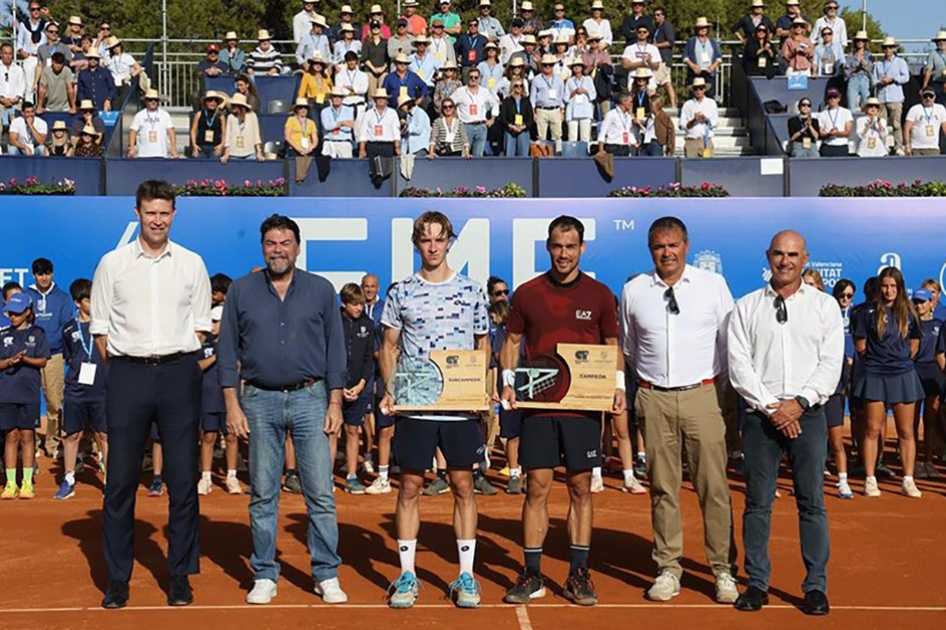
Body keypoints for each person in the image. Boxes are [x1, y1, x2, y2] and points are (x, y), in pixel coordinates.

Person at [92, 180, 212, 609]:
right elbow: (101, 330)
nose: (157, 220)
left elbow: (201, 326)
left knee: (183, 481)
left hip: (180, 374)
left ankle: (179, 575)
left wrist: (171, 362)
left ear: (174, 214)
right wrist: (130, 368)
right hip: (127, 375)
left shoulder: (192, 264)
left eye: (164, 212)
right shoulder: (112, 263)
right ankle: (118, 578)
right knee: (120, 482)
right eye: (150, 212)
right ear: (137, 213)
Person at [219, 213, 348, 605]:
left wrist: (336, 402)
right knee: (262, 494)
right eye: (271, 243)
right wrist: (232, 404)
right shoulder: (241, 291)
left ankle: (326, 572)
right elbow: (227, 349)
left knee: (321, 493)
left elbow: (335, 348)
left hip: (312, 397)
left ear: (297, 247)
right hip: (258, 400)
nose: (278, 250)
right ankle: (264, 572)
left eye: (285, 243)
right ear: (263, 247)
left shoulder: (322, 290)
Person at [499, 216, 624, 607]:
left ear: (582, 248)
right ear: (548, 247)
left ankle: (578, 573)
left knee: (580, 487)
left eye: (571, 246)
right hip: (539, 406)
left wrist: (618, 388)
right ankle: (533, 573)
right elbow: (513, 340)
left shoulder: (601, 295)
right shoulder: (527, 293)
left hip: (583, 407)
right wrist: (506, 380)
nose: (564, 253)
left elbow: (611, 344)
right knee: (536, 486)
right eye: (557, 246)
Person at [620, 217, 738, 605]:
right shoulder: (634, 290)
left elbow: (728, 342)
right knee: (662, 488)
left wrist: (715, 391)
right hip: (653, 398)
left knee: (714, 488)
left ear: (686, 246)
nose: (666, 253)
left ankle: (723, 570)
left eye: (673, 245)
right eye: (658, 246)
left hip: (702, 395)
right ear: (650, 250)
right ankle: (668, 568)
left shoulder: (712, 285)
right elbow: (630, 347)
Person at [379, 211, 491, 609]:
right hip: (414, 406)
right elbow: (389, 347)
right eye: (425, 240)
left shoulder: (472, 290)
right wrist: (393, 391)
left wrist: (481, 390)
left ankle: (466, 576)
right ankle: (407, 575)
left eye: (439, 239)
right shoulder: (401, 292)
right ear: (416, 243)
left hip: (460, 408)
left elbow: (483, 345)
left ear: (449, 242)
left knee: (463, 485)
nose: (432, 246)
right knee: (410, 487)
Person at [728, 230, 840, 616]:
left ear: (805, 258)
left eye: (793, 254)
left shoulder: (825, 307)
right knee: (758, 504)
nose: (785, 261)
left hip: (808, 417)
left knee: (812, 503)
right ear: (768, 256)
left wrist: (799, 404)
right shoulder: (746, 307)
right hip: (762, 419)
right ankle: (756, 583)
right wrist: (772, 406)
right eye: (778, 253)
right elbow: (739, 364)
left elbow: (830, 364)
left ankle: (815, 587)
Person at [852, 266, 924, 499]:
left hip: (903, 374)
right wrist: (879, 361)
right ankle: (870, 479)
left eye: (893, 286)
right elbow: (861, 345)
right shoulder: (866, 313)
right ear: (879, 287)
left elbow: (914, 345)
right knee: (872, 428)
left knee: (906, 430)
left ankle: (908, 479)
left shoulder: (909, 312)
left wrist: (899, 361)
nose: (889, 290)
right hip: (875, 374)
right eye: (885, 285)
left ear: (900, 287)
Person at [55, 278, 108, 500]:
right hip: (76, 390)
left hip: (102, 389)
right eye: (88, 299)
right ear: (78, 303)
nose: (93, 303)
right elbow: (69, 356)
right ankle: (68, 479)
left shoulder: (105, 325)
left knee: (104, 435)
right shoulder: (69, 328)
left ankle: (110, 480)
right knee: (72, 434)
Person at [1, 293, 49, 500]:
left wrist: (26, 359)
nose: (13, 316)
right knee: (11, 436)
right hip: (7, 392)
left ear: (28, 312)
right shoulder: (3, 335)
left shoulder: (38, 333)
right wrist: (10, 361)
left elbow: (43, 361)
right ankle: (10, 483)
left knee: (27, 436)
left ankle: (27, 482)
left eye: (17, 313)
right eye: (10, 312)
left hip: (29, 392)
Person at [196, 305, 241, 497]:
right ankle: (205, 477)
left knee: (231, 436)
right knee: (208, 437)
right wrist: (216, 356)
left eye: (216, 322)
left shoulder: (236, 345)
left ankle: (231, 477)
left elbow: (240, 367)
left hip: (229, 400)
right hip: (208, 397)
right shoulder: (202, 344)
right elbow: (196, 367)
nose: (212, 326)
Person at [337, 283, 374, 494]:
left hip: (359, 387)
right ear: (344, 304)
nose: (359, 308)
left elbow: (370, 359)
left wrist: (360, 385)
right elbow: (328, 356)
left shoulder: (368, 324)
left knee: (353, 430)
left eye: (361, 304)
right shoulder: (333, 322)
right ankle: (324, 477)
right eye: (355, 304)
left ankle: (351, 476)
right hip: (335, 387)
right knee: (332, 431)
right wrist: (339, 386)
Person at [828, 278, 856, 498]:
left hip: (847, 372)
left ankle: (844, 480)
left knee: (839, 430)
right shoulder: (826, 311)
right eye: (842, 295)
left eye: (849, 296)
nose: (845, 300)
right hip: (826, 374)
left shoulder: (856, 314)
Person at [911, 289, 943, 480]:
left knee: (930, 420)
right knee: (912, 421)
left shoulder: (940, 325)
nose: (919, 306)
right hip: (914, 372)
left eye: (922, 302)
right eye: (916, 302)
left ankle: (929, 461)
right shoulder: (909, 325)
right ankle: (914, 462)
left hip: (934, 374)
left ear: (931, 303)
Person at [872, 37, 909, 155]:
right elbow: (872, 80)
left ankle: (898, 146)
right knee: (881, 124)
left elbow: (906, 77)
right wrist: (880, 82)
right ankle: (882, 147)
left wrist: (893, 80)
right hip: (882, 97)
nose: (887, 49)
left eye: (890, 47)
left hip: (895, 97)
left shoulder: (900, 62)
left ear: (894, 48)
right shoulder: (878, 64)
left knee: (896, 124)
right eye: (885, 47)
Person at [452, 68, 499, 157]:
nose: (473, 79)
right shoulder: (460, 91)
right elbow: (449, 103)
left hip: (481, 126)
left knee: (479, 156)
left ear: (479, 79)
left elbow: (495, 104)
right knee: (464, 155)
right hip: (466, 126)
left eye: (476, 77)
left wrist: (492, 119)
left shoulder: (484, 92)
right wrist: (455, 118)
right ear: (467, 78)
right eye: (471, 77)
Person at [128, 89, 177, 159]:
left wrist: (173, 148)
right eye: (150, 100)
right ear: (146, 101)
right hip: (143, 154)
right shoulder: (139, 115)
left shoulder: (165, 115)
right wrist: (132, 147)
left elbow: (171, 131)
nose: (153, 102)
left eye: (155, 100)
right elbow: (133, 131)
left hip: (161, 153)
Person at [531, 54, 565, 151]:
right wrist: (533, 112)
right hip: (541, 110)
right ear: (541, 66)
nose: (548, 67)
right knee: (541, 136)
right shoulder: (536, 80)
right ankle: (542, 156)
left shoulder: (559, 80)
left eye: (550, 65)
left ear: (553, 65)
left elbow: (562, 96)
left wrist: (562, 111)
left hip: (556, 109)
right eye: (545, 65)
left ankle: (558, 154)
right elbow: (533, 97)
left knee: (557, 136)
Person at [358, 88, 400, 165]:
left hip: (387, 146)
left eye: (383, 98)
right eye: (378, 98)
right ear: (375, 100)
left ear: (386, 100)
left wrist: (397, 147)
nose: (381, 100)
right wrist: (362, 149)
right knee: (372, 170)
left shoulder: (392, 113)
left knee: (387, 170)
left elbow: (396, 132)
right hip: (372, 145)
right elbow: (363, 132)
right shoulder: (368, 113)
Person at [683, 18, 722, 99]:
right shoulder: (692, 41)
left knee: (710, 95)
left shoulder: (712, 41)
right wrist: (693, 66)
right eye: (701, 27)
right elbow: (685, 56)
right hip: (695, 73)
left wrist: (713, 67)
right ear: (697, 29)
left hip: (709, 73)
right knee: (694, 95)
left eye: (705, 27)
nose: (703, 29)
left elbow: (719, 57)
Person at [679, 77, 718, 158]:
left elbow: (715, 122)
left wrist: (705, 119)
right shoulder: (687, 105)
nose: (698, 91)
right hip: (691, 141)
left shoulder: (711, 103)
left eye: (701, 88)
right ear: (693, 90)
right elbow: (683, 125)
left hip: (706, 141)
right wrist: (694, 120)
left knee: (708, 169)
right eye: (696, 88)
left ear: (704, 89)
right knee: (690, 169)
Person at [904, 87, 946, 157]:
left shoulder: (940, 109)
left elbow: (945, 127)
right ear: (922, 97)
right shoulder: (915, 109)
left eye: (931, 96)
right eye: (925, 96)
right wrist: (907, 146)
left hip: (933, 148)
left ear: (935, 97)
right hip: (916, 148)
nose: (928, 98)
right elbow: (906, 128)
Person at [222, 93, 263, 163]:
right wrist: (226, 152)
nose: (233, 107)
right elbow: (228, 136)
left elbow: (256, 135)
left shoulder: (252, 116)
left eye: (235, 105)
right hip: (234, 153)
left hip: (250, 152)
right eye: (233, 105)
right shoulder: (230, 117)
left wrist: (259, 151)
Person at [564, 58, 595, 146]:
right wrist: (574, 92)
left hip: (585, 110)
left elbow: (593, 95)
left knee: (585, 137)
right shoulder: (569, 81)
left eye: (579, 66)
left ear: (582, 68)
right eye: (575, 66)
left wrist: (585, 91)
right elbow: (565, 97)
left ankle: (584, 155)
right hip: (572, 110)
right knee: (572, 137)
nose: (577, 68)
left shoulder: (588, 79)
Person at [597, 91, 638, 156]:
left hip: (625, 147)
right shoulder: (611, 114)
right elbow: (602, 132)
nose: (632, 104)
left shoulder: (628, 116)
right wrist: (601, 150)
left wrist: (635, 144)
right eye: (630, 102)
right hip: (613, 147)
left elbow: (628, 132)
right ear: (623, 102)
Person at [499, 79, 532, 157]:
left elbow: (530, 118)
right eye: (516, 86)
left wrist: (523, 127)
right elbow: (503, 118)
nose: (518, 88)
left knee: (523, 154)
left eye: (521, 86)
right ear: (512, 87)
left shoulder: (526, 100)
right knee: (509, 154)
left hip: (523, 129)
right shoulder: (507, 101)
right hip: (510, 129)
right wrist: (512, 126)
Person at [816, 87, 852, 157]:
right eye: (830, 97)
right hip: (827, 145)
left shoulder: (846, 112)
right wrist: (829, 134)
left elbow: (848, 132)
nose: (832, 99)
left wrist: (837, 133)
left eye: (835, 97)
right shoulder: (821, 114)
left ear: (839, 99)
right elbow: (821, 133)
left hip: (841, 145)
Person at [190, 91, 226, 159]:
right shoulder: (199, 114)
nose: (213, 102)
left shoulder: (221, 116)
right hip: (201, 146)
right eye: (210, 100)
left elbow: (224, 132)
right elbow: (193, 130)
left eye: (216, 101)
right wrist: (194, 145)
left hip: (215, 147)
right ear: (206, 102)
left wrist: (221, 145)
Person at [320, 87, 355, 158]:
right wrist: (342, 123)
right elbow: (327, 126)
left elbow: (348, 129)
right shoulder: (324, 111)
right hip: (329, 142)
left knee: (345, 167)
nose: (337, 98)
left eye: (339, 97)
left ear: (342, 99)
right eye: (335, 96)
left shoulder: (349, 110)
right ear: (331, 98)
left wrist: (334, 125)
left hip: (344, 142)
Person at [844, 31, 872, 112]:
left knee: (866, 105)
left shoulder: (869, 56)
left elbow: (873, 72)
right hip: (853, 79)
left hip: (865, 79)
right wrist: (855, 69)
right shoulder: (850, 55)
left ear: (865, 42)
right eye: (858, 40)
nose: (860, 42)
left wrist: (865, 68)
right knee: (851, 106)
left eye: (862, 40)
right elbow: (846, 72)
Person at [335, 52, 368, 118]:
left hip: (359, 104)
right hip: (345, 103)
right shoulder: (339, 75)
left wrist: (351, 88)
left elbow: (364, 89)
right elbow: (339, 89)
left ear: (356, 61)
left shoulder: (363, 75)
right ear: (346, 62)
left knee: (359, 127)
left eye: (353, 60)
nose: (351, 63)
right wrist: (355, 90)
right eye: (349, 60)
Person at [361, 20, 390, 97]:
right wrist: (373, 69)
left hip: (383, 70)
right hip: (370, 70)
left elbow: (388, 57)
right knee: (371, 94)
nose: (375, 28)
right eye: (373, 27)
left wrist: (383, 68)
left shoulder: (386, 42)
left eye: (377, 27)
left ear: (380, 28)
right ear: (370, 29)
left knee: (382, 93)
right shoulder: (367, 42)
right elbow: (365, 57)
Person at [1, 43, 27, 126]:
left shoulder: (18, 69)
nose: (8, 56)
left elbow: (22, 86)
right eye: (5, 53)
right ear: (1, 54)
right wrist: (2, 100)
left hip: (15, 103)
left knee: (17, 129)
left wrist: (15, 99)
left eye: (10, 53)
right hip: (0, 102)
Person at [922, 31, 946, 106]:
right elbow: (928, 70)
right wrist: (924, 86)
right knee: (940, 105)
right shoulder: (933, 54)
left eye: (944, 40)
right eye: (939, 41)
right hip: (938, 83)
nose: (941, 42)